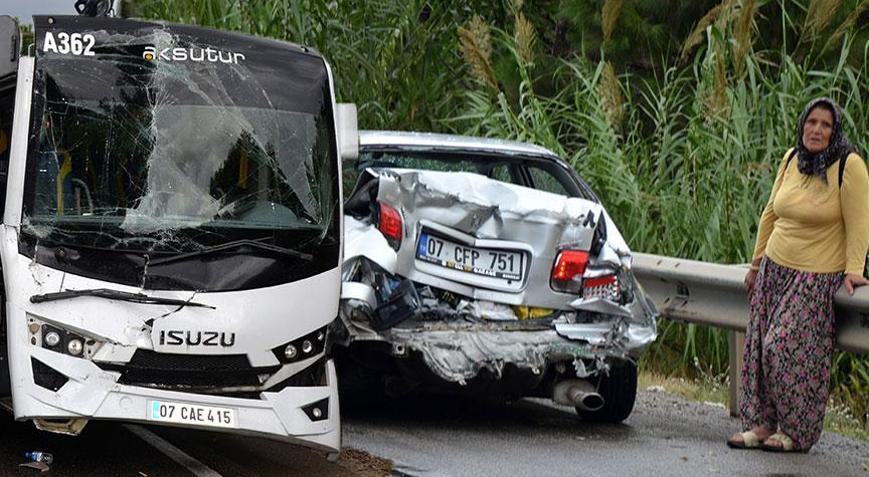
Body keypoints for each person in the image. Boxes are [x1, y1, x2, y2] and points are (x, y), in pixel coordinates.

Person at [727, 97, 869, 452]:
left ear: (835, 131)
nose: (816, 130)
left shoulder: (849, 166)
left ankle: (795, 431)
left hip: (814, 276)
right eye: (811, 122)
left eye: (825, 125)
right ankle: (761, 425)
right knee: (759, 350)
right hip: (775, 268)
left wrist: (854, 269)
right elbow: (770, 214)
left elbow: (860, 222)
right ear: (802, 124)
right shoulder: (792, 159)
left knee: (783, 347)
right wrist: (757, 264)